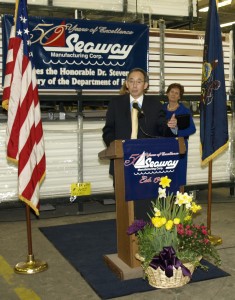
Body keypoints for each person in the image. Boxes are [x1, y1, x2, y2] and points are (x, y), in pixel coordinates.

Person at [102, 68, 177, 177]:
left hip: (149, 162)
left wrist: (171, 126)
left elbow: (162, 129)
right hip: (122, 159)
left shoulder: (155, 105)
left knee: (147, 194)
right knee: (122, 193)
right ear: (127, 84)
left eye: (139, 82)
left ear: (145, 85)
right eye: (131, 81)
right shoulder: (116, 103)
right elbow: (108, 130)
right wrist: (116, 146)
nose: (134, 85)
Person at [163, 82, 196, 186]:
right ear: (167, 94)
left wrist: (177, 133)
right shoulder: (160, 109)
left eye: (176, 93)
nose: (173, 94)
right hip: (163, 146)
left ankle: (179, 199)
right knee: (164, 174)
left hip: (179, 146)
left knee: (179, 174)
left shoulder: (184, 111)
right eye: (171, 92)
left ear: (179, 97)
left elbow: (192, 129)